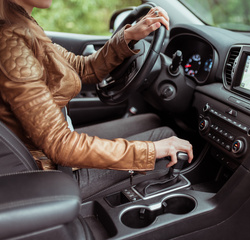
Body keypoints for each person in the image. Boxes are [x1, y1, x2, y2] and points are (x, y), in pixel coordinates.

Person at [0, 0, 193, 200]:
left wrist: (128, 36)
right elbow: (59, 144)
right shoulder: (10, 42)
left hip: (48, 150)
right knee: (166, 140)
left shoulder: (21, 23)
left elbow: (82, 68)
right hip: (50, 172)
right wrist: (151, 151)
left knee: (152, 121)